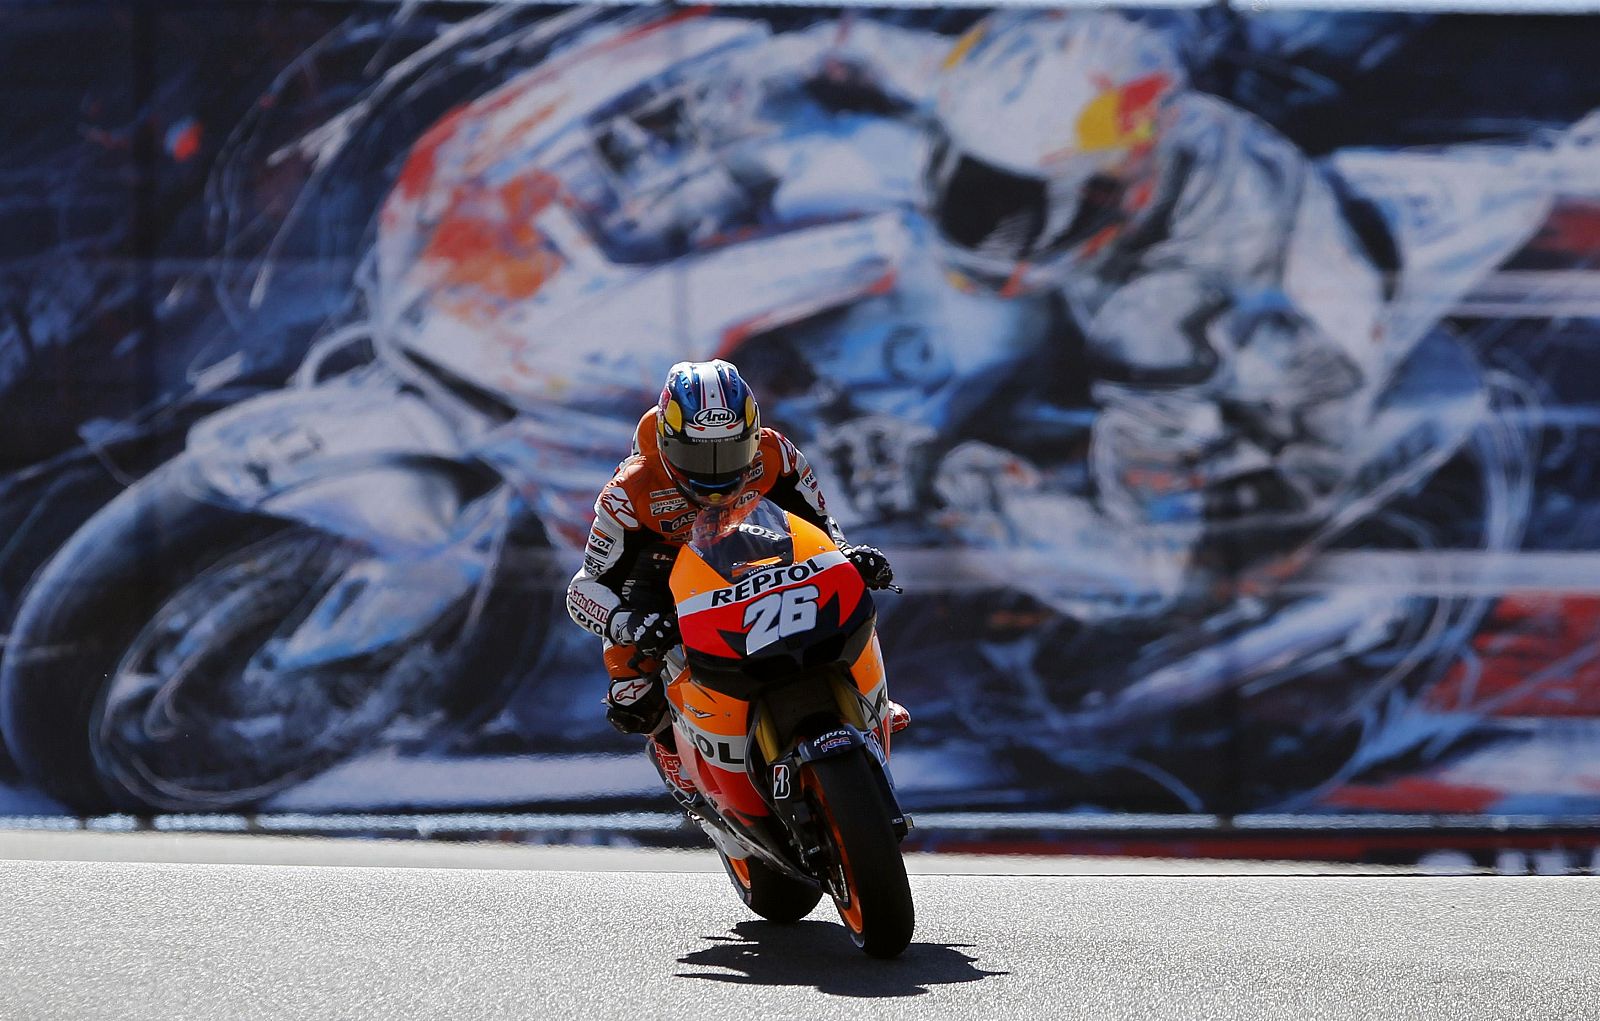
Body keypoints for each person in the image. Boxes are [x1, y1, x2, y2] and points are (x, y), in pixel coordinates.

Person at [566, 359, 908, 795]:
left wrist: (847, 556)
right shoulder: (629, 491)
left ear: (751, 436)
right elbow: (584, 589)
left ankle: (867, 699)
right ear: (669, 443)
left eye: (729, 453)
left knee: (846, 594)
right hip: (663, 586)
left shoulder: (776, 454)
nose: (714, 475)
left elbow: (821, 526)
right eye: (697, 455)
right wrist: (626, 623)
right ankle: (678, 758)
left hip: (762, 556)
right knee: (631, 699)